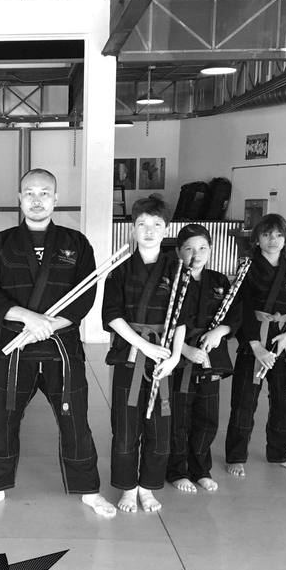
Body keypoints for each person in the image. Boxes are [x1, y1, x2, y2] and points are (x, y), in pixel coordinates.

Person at [0, 168, 117, 518]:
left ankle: (89, 489)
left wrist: (48, 326)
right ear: (19, 198)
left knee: (75, 419)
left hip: (62, 349)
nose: (37, 200)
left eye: (44, 193)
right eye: (30, 193)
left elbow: (84, 298)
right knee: (3, 419)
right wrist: (30, 320)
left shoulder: (75, 243)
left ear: (55, 199)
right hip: (14, 347)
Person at [100, 196, 186, 514]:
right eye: (142, 224)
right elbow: (112, 315)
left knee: (159, 428)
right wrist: (143, 345)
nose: (149, 231)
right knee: (125, 427)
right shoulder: (120, 270)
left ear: (167, 229)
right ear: (133, 229)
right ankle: (128, 487)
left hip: (164, 357)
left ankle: (148, 487)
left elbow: (183, 319)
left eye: (156, 224)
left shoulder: (178, 270)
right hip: (130, 355)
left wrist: (174, 358)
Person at [224, 213, 286, 476]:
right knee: (244, 401)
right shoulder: (247, 269)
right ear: (257, 240)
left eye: (278, 235)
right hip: (254, 342)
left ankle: (279, 453)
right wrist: (255, 346)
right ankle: (236, 455)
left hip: (285, 342)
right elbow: (240, 308)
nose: (273, 240)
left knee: (284, 402)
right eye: (266, 235)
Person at [167, 223, 242, 494]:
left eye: (201, 248)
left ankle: (200, 469)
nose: (195, 254)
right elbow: (164, 321)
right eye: (188, 248)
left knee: (208, 416)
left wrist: (221, 331)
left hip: (210, 358)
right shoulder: (170, 280)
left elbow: (235, 312)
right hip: (181, 358)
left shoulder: (219, 281)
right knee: (180, 417)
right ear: (179, 252)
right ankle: (177, 470)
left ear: (210, 250)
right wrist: (184, 350)